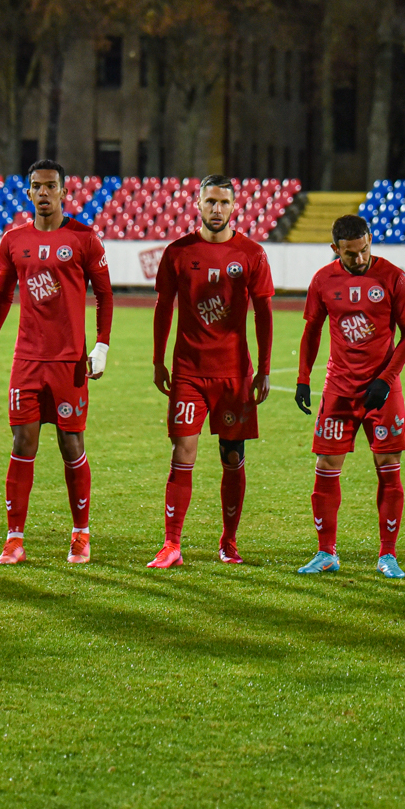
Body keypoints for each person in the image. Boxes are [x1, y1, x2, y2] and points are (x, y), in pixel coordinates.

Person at [0, 160, 114, 565]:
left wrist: (101, 346)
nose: (43, 192)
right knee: (22, 443)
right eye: (37, 186)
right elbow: (2, 293)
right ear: (28, 192)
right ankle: (14, 540)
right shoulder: (13, 240)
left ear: (64, 192)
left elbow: (105, 294)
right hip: (27, 360)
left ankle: (81, 535)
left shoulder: (84, 239)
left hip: (69, 361)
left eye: (51, 186)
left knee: (71, 445)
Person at [146, 174, 274, 568]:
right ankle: (172, 544)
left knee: (232, 458)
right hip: (188, 371)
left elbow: (264, 313)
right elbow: (163, 307)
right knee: (182, 452)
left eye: (223, 202)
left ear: (234, 206)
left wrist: (264, 368)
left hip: (234, 374)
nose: (216, 209)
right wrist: (158, 360)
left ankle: (229, 542)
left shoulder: (251, 253)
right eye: (210, 202)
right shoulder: (178, 252)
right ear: (198, 204)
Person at [293, 214, 405, 578]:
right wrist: (303, 379)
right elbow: (312, 331)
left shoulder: (393, 277)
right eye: (351, 253)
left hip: (382, 390)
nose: (360, 258)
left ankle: (388, 555)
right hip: (339, 389)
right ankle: (326, 553)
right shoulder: (322, 280)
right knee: (326, 467)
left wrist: (386, 379)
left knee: (388, 468)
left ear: (369, 241)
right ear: (335, 249)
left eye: (364, 249)